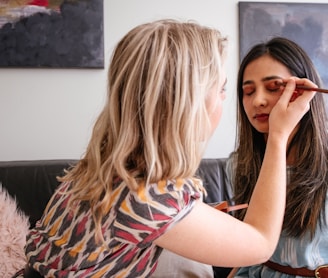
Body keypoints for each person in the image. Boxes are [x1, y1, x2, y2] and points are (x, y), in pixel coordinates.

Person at [20, 21, 316, 277]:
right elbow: (260, 244)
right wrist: (279, 135)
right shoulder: (147, 197)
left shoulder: (105, 169)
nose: (234, 100)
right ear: (187, 102)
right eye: (226, 89)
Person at [227, 37, 328, 277]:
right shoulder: (239, 163)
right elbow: (246, 250)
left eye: (273, 87)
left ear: (305, 93)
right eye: (248, 92)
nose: (258, 101)